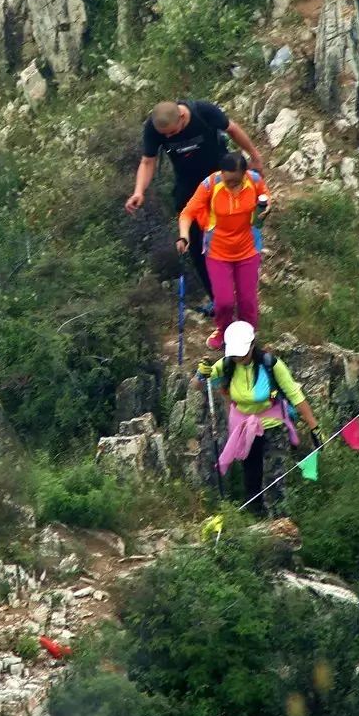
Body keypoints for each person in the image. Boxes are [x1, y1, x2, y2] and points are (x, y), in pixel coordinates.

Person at [126, 100, 265, 313]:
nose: (169, 138)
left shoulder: (203, 112)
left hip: (220, 182)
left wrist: (254, 156)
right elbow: (148, 162)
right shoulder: (154, 127)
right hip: (188, 187)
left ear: (181, 117)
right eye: (166, 136)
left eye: (172, 133)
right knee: (197, 245)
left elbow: (233, 129)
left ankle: (240, 287)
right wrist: (138, 191)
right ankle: (218, 299)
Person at [197, 321, 322, 517]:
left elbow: (295, 396)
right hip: (245, 428)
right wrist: (201, 374)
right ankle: (256, 522)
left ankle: (279, 520)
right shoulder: (227, 365)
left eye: (242, 353)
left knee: (274, 477)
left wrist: (314, 427)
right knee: (251, 477)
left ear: (252, 345)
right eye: (235, 354)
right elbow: (199, 384)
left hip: (273, 426)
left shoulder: (270, 364)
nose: (238, 358)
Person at [177, 151, 269, 350]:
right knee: (225, 301)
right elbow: (187, 213)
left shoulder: (254, 181)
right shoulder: (210, 185)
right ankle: (223, 331)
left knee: (247, 300)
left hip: (248, 249)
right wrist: (184, 236)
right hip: (218, 252)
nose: (230, 185)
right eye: (227, 181)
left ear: (245, 174)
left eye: (235, 181)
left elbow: (265, 199)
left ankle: (248, 335)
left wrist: (266, 207)